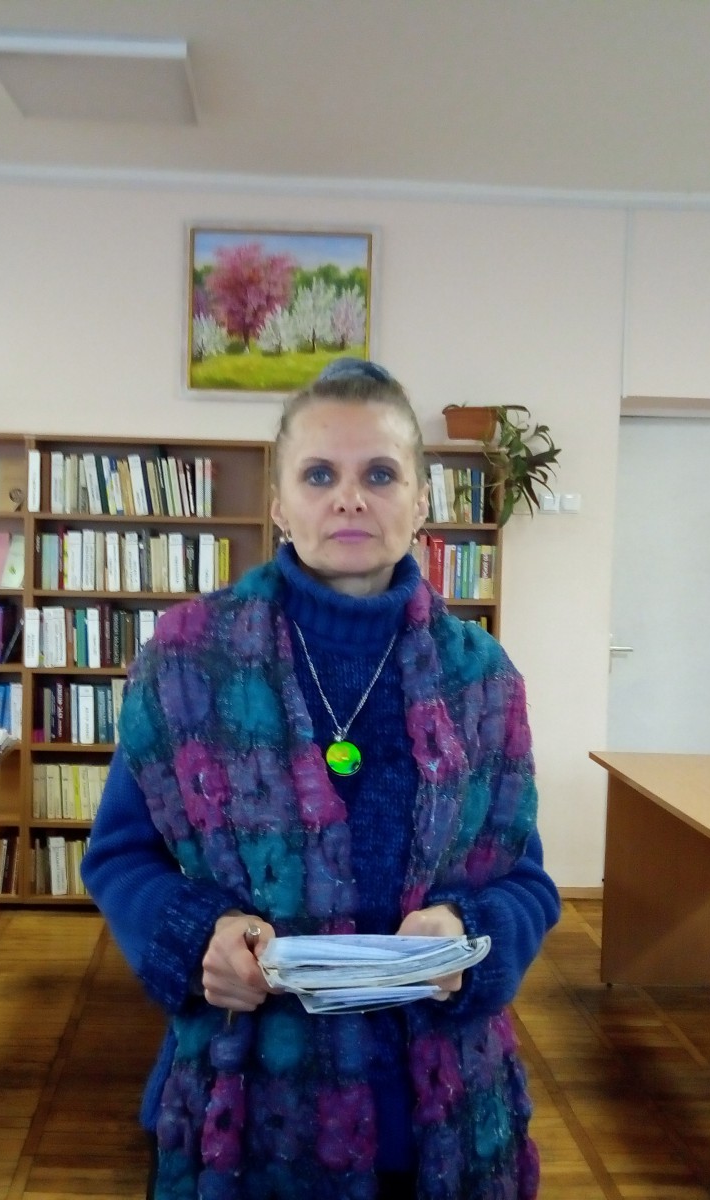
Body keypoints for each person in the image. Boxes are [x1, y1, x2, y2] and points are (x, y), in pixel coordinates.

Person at [81, 357, 561, 1200]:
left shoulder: (482, 679)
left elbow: (524, 881)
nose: (349, 499)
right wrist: (197, 939)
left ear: (420, 501)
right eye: (318, 475)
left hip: (440, 1113)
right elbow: (121, 857)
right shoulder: (186, 661)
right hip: (248, 1102)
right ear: (279, 503)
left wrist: (467, 934)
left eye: (379, 474)